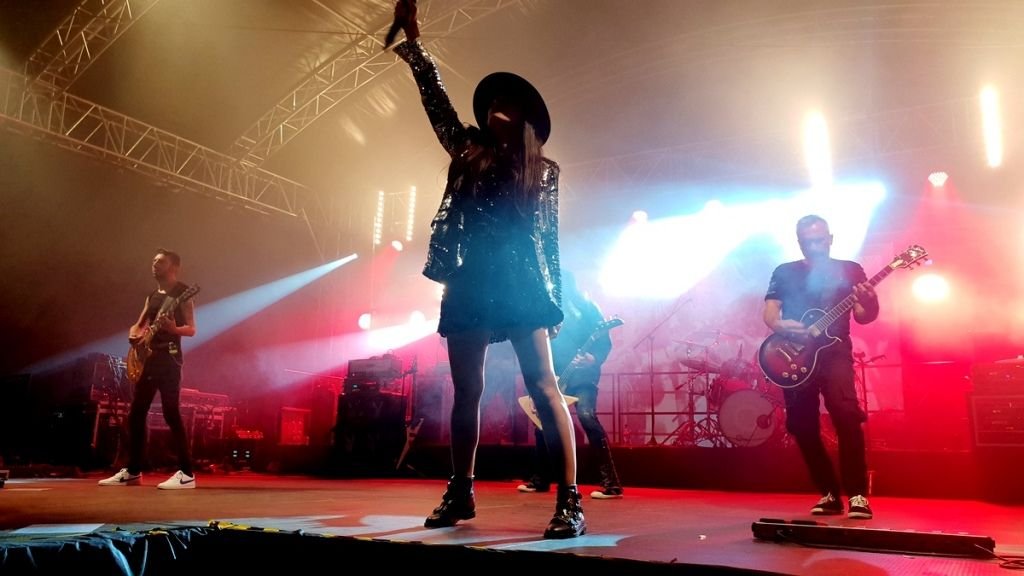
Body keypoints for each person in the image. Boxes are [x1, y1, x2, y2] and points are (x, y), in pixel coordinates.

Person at [391, 0, 584, 538]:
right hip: (471, 276)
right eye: (494, 99)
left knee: (543, 385)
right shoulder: (467, 150)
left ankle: (570, 500)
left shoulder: (542, 171)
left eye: (508, 101)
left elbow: (548, 239)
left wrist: (554, 302)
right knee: (467, 390)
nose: (498, 105)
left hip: (521, 279)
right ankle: (461, 491)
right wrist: (415, 45)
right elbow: (436, 104)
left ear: (524, 118)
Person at [762, 215, 878, 519]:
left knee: (846, 415)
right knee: (801, 425)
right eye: (808, 241)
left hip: (834, 352)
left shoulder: (850, 270)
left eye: (820, 240)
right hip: (796, 352)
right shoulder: (784, 272)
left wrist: (871, 301)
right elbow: (770, 312)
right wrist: (779, 325)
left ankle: (857, 495)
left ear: (830, 239)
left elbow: (864, 315)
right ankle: (828, 492)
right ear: (799, 242)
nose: (814, 246)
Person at [518, 271, 623, 499]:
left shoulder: (587, 307)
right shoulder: (549, 311)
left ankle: (611, 484)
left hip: (584, 375)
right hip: (556, 376)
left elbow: (604, 341)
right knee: (542, 424)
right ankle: (540, 480)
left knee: (586, 416)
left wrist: (593, 358)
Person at [99, 249, 197, 490]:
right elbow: (139, 324)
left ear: (174, 268)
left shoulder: (183, 293)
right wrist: (134, 335)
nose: (154, 264)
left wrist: (174, 329)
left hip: (169, 361)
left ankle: (187, 474)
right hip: (149, 360)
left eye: (160, 262)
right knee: (136, 413)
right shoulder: (152, 295)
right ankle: (133, 470)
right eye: (153, 261)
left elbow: (192, 329)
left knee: (171, 413)